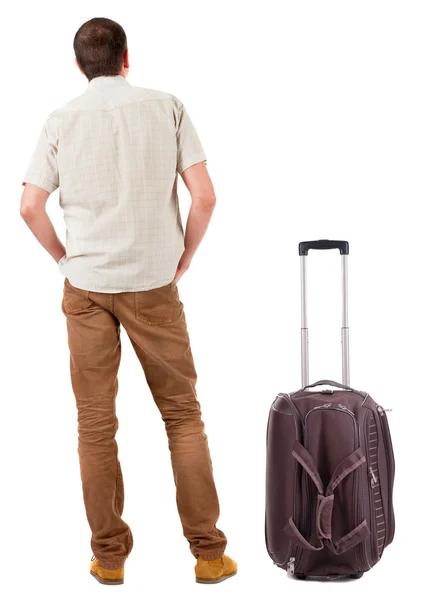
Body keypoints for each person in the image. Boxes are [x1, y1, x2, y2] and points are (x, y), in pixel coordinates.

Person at [19, 16, 236, 586]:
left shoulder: (60, 120)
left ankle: (109, 559)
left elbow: (28, 207)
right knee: (183, 416)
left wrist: (65, 260)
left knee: (95, 424)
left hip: (86, 288)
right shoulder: (167, 106)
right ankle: (209, 555)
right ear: (126, 57)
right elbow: (206, 197)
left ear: (78, 65)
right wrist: (184, 258)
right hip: (153, 285)